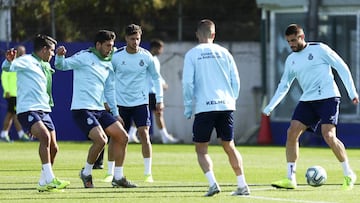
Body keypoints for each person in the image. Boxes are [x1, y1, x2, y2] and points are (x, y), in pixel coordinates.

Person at [263, 24, 358, 191]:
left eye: (293, 40)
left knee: (328, 135)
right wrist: (271, 106)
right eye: (288, 41)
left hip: (329, 97)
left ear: (302, 37)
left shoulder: (320, 49)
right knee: (292, 132)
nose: (291, 44)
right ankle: (290, 178)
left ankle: (348, 173)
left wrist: (352, 93)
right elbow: (284, 85)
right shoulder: (291, 59)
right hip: (308, 100)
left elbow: (341, 67)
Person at [54, 30, 136, 189]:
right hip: (82, 109)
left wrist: (116, 113)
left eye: (112, 46)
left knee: (123, 137)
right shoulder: (84, 56)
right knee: (101, 140)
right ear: (98, 45)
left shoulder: (108, 63)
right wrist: (59, 56)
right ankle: (86, 172)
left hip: (100, 110)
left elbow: (109, 90)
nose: (110, 49)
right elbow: (61, 66)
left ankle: (118, 177)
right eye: (107, 45)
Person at [182, 19, 250, 197]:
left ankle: (213, 183)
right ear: (213, 34)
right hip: (226, 105)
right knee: (229, 146)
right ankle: (242, 184)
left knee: (201, 149)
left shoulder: (192, 54)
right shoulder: (225, 52)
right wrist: (231, 99)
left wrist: (188, 106)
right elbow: (236, 79)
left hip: (205, 107)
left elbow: (187, 83)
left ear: (197, 34)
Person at [2, 34, 70, 192]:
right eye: (51, 51)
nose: (52, 54)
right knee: (44, 137)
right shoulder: (26, 61)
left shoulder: (45, 65)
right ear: (44, 49)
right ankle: (51, 178)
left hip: (44, 110)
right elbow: (7, 68)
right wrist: (9, 60)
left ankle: (42, 182)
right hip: (27, 109)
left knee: (54, 148)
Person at [110, 24, 164, 183]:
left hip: (141, 102)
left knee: (144, 134)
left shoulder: (146, 56)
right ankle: (110, 171)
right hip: (121, 103)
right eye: (132, 39)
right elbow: (108, 79)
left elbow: (156, 78)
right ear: (126, 38)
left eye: (138, 39)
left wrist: (160, 100)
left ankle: (148, 173)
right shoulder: (117, 56)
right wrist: (107, 100)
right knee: (116, 138)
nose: (135, 42)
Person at [127, 39, 180, 144]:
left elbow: (157, 75)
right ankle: (165, 137)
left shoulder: (154, 59)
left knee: (150, 114)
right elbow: (153, 76)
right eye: (160, 48)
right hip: (150, 91)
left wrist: (162, 82)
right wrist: (161, 84)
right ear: (155, 48)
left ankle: (131, 134)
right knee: (157, 113)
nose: (161, 51)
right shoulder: (148, 58)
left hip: (150, 91)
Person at [1, 45, 30, 142]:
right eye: (21, 53)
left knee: (13, 114)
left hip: (19, 94)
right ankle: (18, 134)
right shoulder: (11, 63)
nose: (23, 54)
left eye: (24, 52)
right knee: (12, 114)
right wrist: (7, 90)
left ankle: (6, 134)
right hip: (12, 94)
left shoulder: (23, 64)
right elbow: (4, 77)